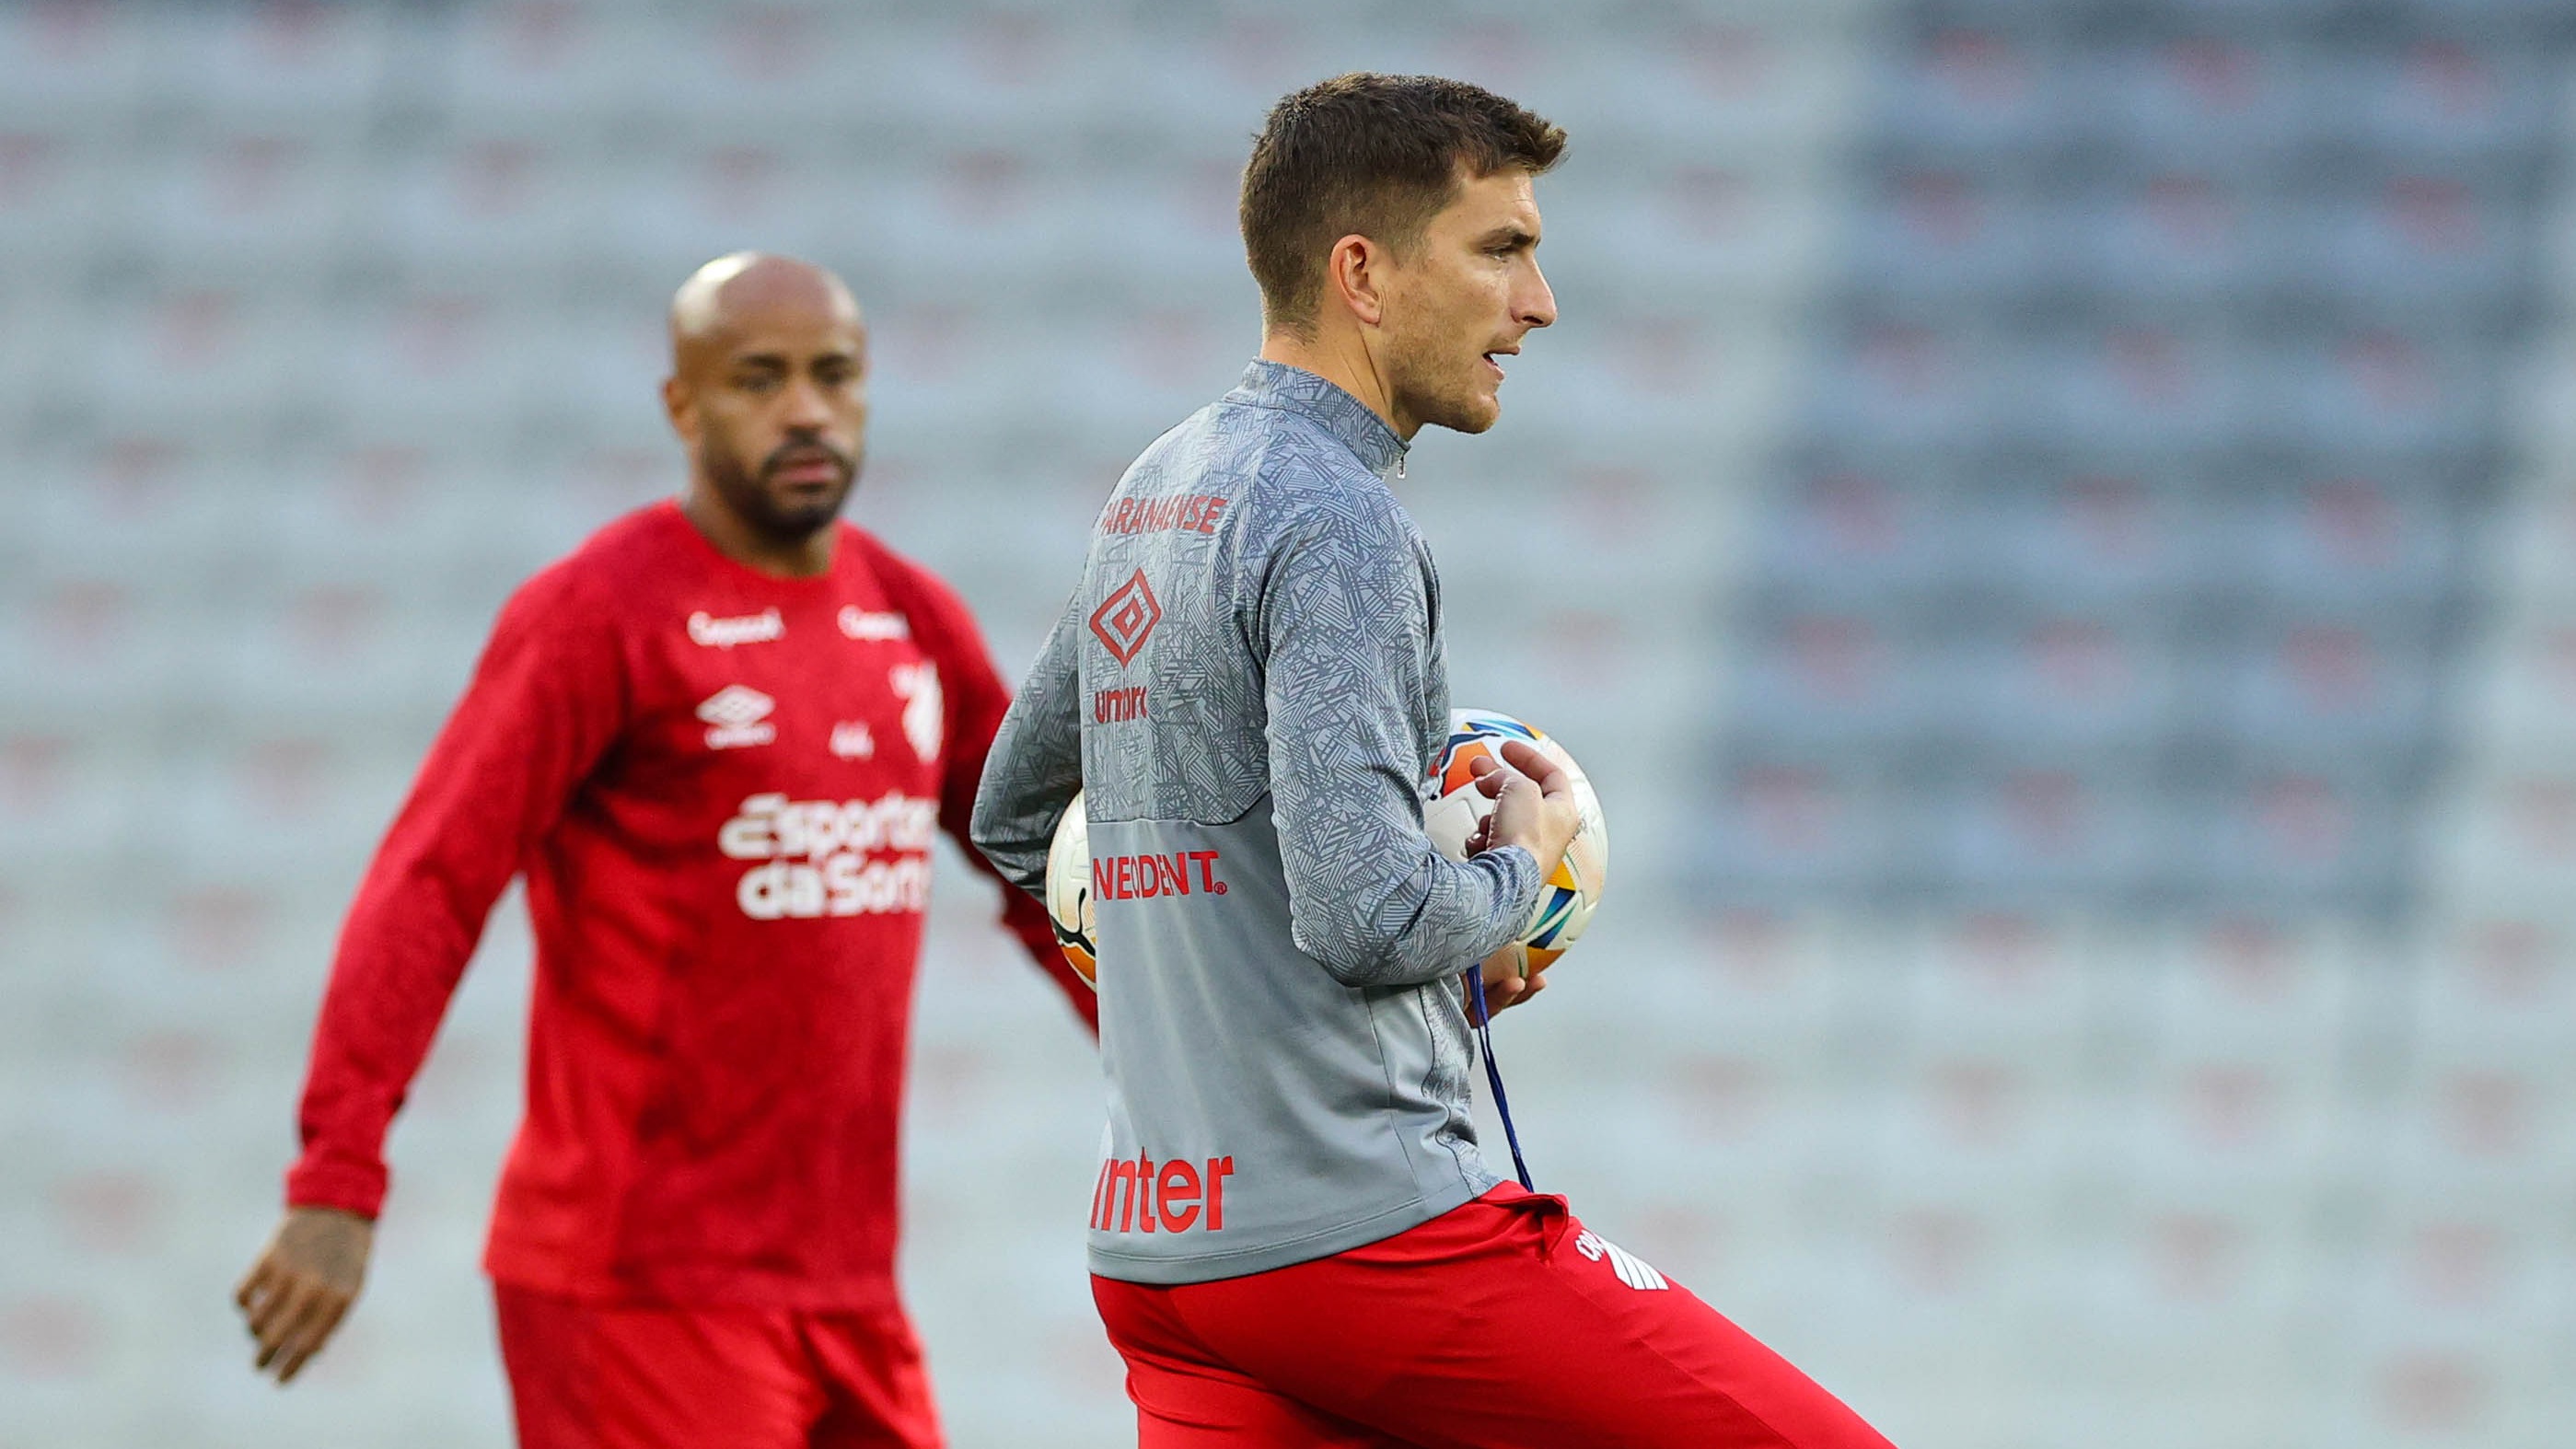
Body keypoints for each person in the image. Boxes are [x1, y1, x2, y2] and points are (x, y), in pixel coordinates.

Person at [971, 75, 1897, 1447]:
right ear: (1362, 272)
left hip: (1169, 1260)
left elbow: (1013, 817)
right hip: (1368, 1247)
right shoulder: (1332, 511)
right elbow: (1369, 916)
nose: (1538, 303)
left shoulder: (1161, 485)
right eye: (1499, 249)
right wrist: (1509, 875)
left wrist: (1234, 1004)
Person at [233, 252, 1096, 1449]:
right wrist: (337, 1172)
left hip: (845, 1285)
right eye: (758, 377)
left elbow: (1053, 876)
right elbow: (431, 886)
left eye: (833, 375)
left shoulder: (906, 614)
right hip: (636, 1284)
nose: (804, 408)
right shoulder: (600, 614)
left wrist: (1192, 1068)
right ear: (682, 406)